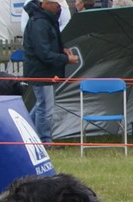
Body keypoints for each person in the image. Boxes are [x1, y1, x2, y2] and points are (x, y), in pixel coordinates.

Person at [23, 0, 78, 146]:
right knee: (45, 106)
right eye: (57, 5)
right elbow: (44, 53)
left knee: (42, 104)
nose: (59, 8)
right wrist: (65, 59)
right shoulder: (40, 23)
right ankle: (44, 140)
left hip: (44, 70)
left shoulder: (46, 20)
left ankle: (25, 133)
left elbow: (51, 41)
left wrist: (62, 48)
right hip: (40, 70)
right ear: (47, 3)